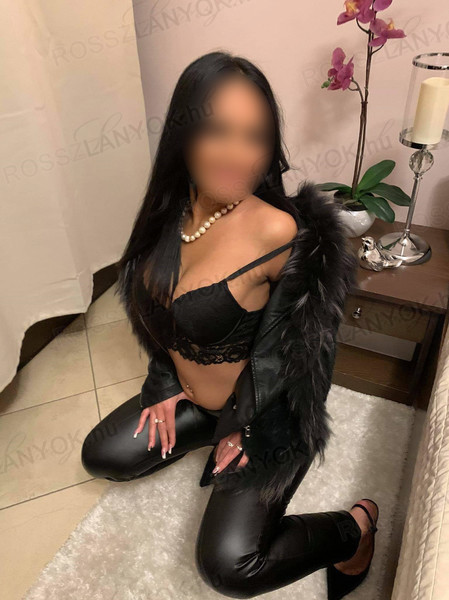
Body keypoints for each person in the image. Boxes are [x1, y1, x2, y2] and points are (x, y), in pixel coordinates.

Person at [81, 51, 379, 599]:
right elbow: (161, 319)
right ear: (184, 135)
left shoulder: (278, 231)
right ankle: (202, 425)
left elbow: (304, 356)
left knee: (230, 566)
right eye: (217, 130)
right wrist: (166, 385)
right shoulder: (169, 214)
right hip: (197, 400)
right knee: (102, 455)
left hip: (268, 413)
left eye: (255, 136)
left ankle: (354, 531)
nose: (238, 155)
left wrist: (249, 429)